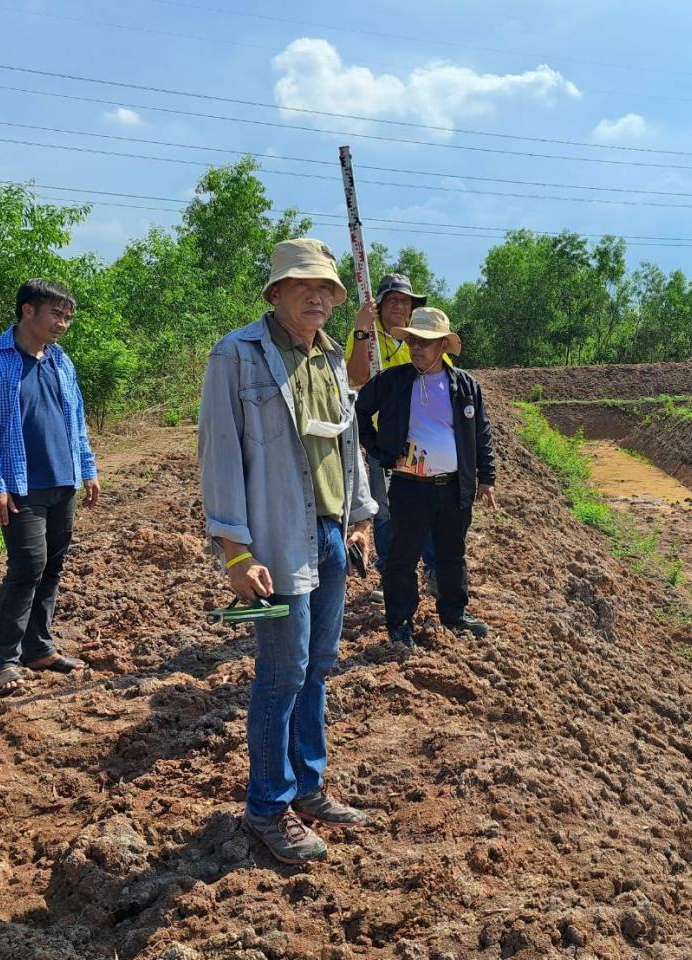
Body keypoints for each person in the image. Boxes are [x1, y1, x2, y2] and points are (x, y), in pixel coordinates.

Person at [198, 237, 377, 865]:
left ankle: (308, 786)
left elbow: (346, 447)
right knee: (280, 676)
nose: (318, 297)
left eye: (327, 288)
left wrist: (358, 520)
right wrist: (235, 554)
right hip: (274, 544)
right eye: (305, 286)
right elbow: (219, 455)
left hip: (329, 537)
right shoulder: (237, 355)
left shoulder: (329, 359)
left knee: (318, 667)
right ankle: (266, 809)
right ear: (275, 293)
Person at [0, 279, 101, 698]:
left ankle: (38, 648)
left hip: (63, 480)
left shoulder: (60, 360)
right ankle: (3, 659)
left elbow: (75, 420)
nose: (64, 324)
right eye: (56, 314)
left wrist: (87, 468)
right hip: (21, 484)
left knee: (52, 567)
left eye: (68, 317)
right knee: (26, 567)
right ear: (28, 312)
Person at [355, 307, 496, 647]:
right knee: (402, 559)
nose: (417, 347)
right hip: (409, 488)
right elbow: (358, 411)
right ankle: (400, 623)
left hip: (452, 489)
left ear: (443, 346)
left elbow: (481, 433)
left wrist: (487, 478)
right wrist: (378, 451)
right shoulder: (393, 381)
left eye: (426, 342)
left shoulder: (464, 385)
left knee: (451, 554)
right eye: (414, 340)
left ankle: (454, 614)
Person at [344, 273, 439, 602]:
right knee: (383, 510)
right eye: (393, 301)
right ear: (379, 306)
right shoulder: (366, 339)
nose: (400, 306)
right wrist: (360, 328)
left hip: (422, 441)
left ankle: (433, 570)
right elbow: (354, 378)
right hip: (383, 441)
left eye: (406, 301)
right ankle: (390, 576)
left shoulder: (420, 340)